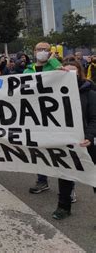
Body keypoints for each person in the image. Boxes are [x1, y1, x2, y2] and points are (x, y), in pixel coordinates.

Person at [52, 60, 96, 220]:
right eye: (66, 72)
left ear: (79, 73)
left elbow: (94, 119)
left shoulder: (90, 94)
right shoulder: (54, 94)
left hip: (87, 143)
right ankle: (63, 207)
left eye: (73, 71)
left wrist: (89, 137)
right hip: (65, 142)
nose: (69, 75)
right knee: (65, 175)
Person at [24, 42, 63, 194]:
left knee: (61, 152)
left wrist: (53, 60)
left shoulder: (56, 67)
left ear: (50, 52)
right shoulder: (27, 70)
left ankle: (68, 188)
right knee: (39, 152)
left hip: (56, 117)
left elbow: (63, 73)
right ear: (34, 52)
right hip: (36, 118)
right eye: (39, 49)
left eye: (45, 50)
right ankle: (42, 181)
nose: (42, 52)